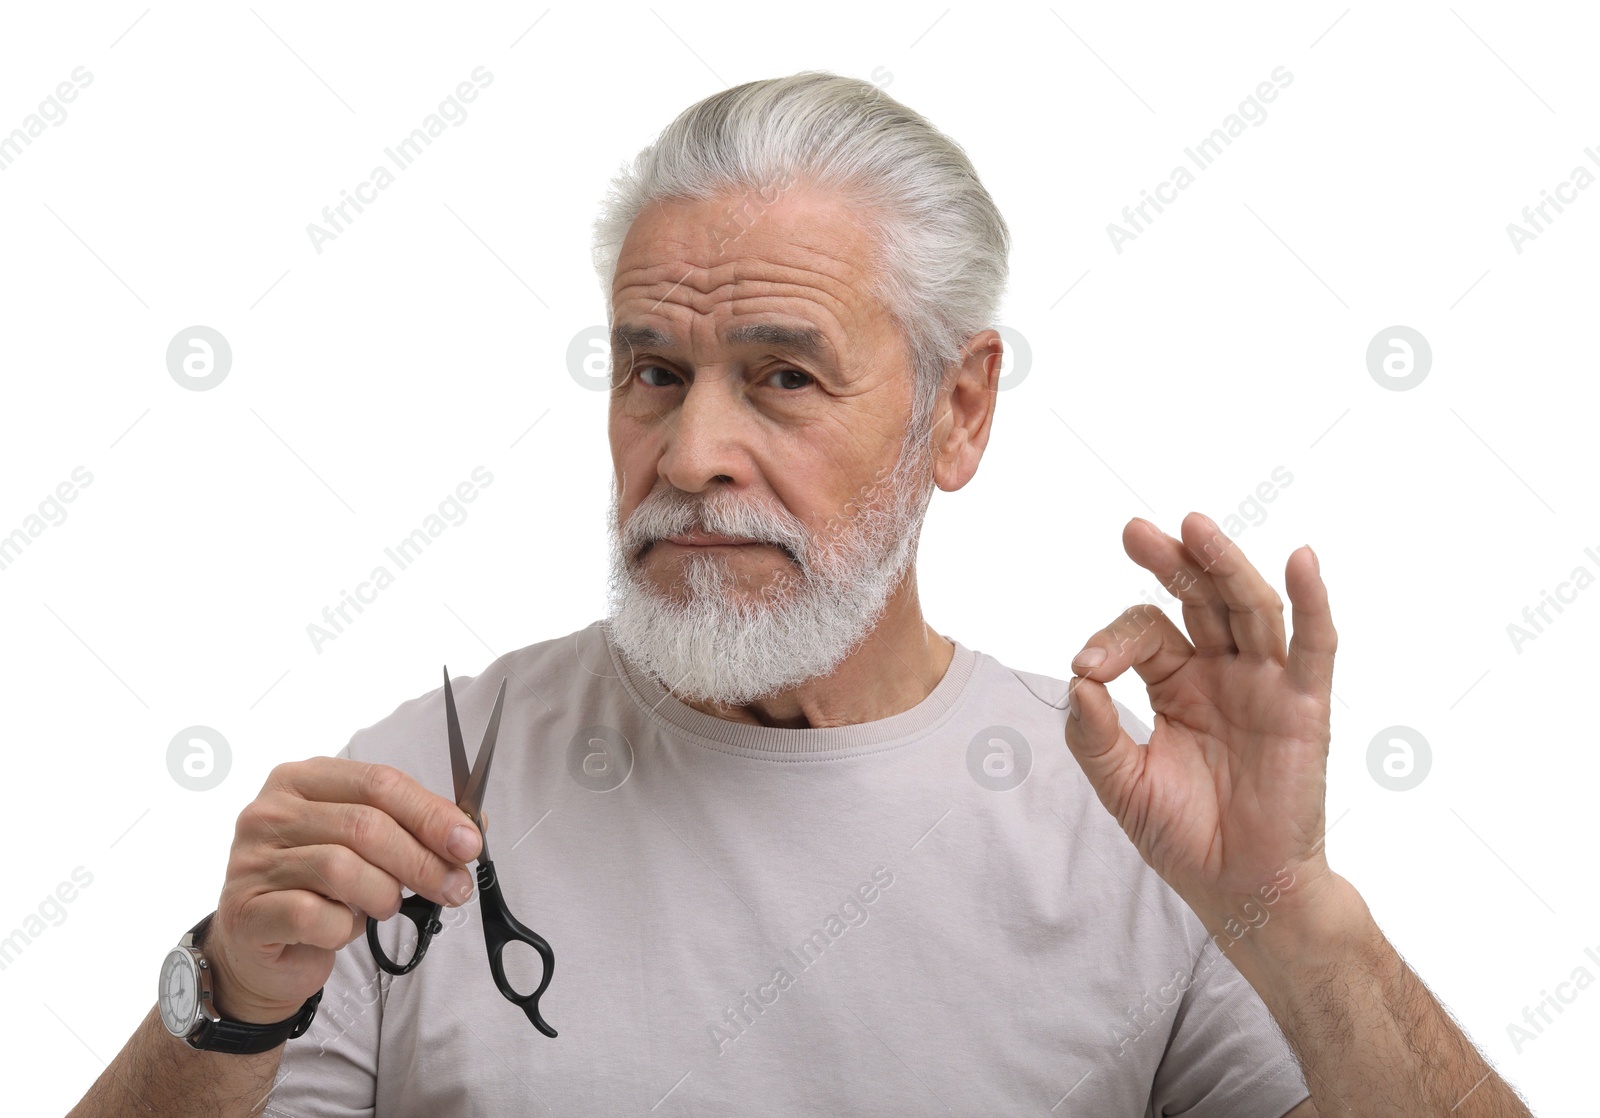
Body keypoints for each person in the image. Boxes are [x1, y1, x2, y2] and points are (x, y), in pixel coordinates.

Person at [69, 71, 1532, 1117]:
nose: (694, 453)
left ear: (958, 414)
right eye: (654, 370)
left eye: (782, 376)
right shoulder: (420, 789)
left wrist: (1292, 911)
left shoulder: (1130, 818)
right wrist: (227, 989)